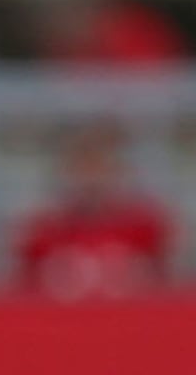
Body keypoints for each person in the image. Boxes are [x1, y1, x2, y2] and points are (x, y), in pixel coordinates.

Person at [12, 126, 174, 298]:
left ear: (117, 171)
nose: (91, 179)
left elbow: (164, 287)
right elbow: (24, 292)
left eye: (99, 167)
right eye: (81, 168)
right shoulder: (42, 229)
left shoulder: (144, 226)